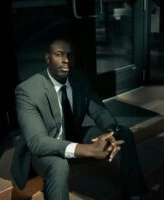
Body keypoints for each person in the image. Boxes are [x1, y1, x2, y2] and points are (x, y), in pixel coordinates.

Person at [11, 37, 148, 200]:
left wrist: (109, 131)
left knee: (123, 134)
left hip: (73, 136)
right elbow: (37, 142)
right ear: (48, 58)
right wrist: (86, 149)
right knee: (58, 165)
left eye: (70, 55)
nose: (66, 60)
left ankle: (135, 193)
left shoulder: (79, 79)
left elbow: (98, 109)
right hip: (43, 149)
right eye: (59, 54)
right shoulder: (27, 91)